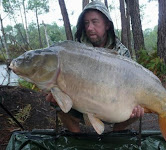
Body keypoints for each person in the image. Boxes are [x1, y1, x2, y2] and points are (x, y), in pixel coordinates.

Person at [46, 1, 144, 133]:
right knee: (55, 101)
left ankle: (116, 135)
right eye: (86, 23)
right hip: (81, 104)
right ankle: (77, 138)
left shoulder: (121, 52)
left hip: (113, 106)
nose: (89, 28)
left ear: (107, 25)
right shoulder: (76, 50)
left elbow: (131, 83)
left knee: (138, 109)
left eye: (95, 22)